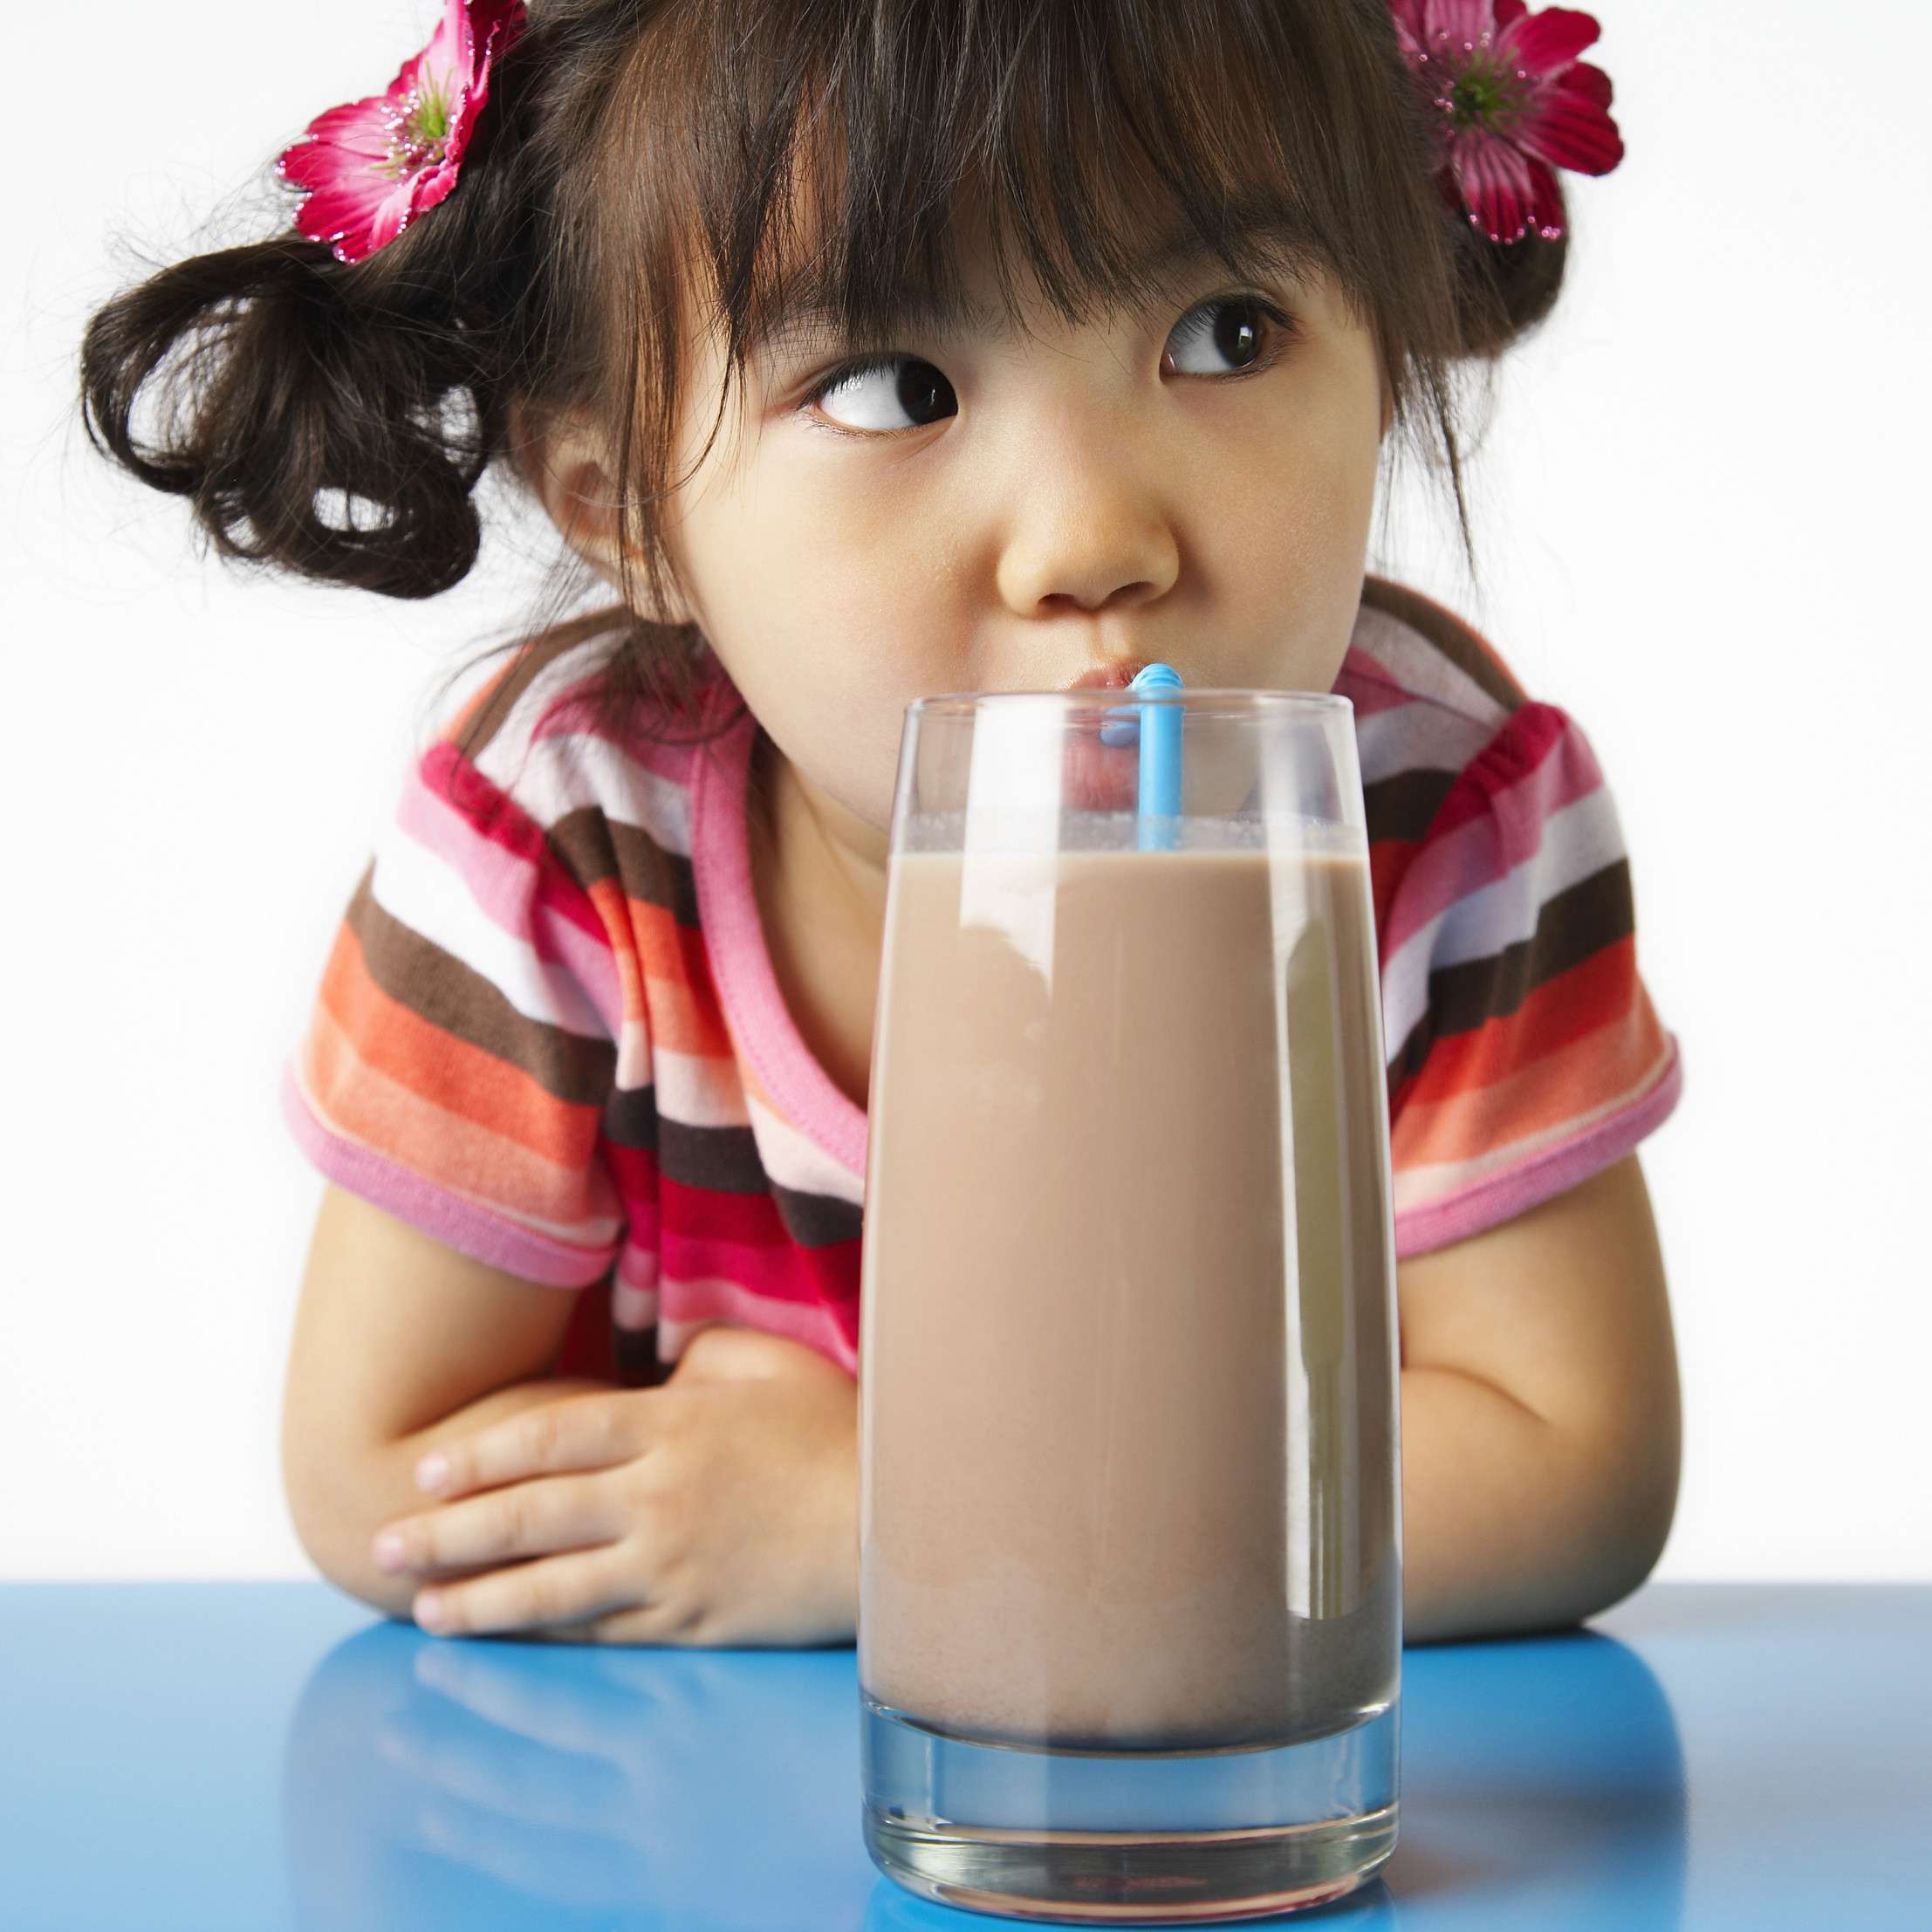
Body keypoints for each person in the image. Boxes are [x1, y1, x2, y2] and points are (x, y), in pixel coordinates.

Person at [79, 0, 1682, 1650]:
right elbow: (379, 1477)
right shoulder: (559, 838)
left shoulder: (1432, 814)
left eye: (1226, 333)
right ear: (622, 507)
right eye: (897, 386)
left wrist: (883, 1519)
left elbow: (1568, 1470)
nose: (1091, 535)